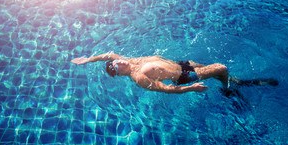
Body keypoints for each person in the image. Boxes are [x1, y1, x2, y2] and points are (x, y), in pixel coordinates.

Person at [71, 52, 230, 93]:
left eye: (116, 61)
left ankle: (231, 81)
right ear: (119, 74)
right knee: (221, 68)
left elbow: (109, 55)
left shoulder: (131, 61)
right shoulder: (139, 78)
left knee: (211, 69)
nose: (118, 61)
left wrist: (89, 59)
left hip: (180, 64)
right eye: (116, 66)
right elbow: (165, 89)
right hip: (183, 76)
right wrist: (191, 88)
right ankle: (227, 89)